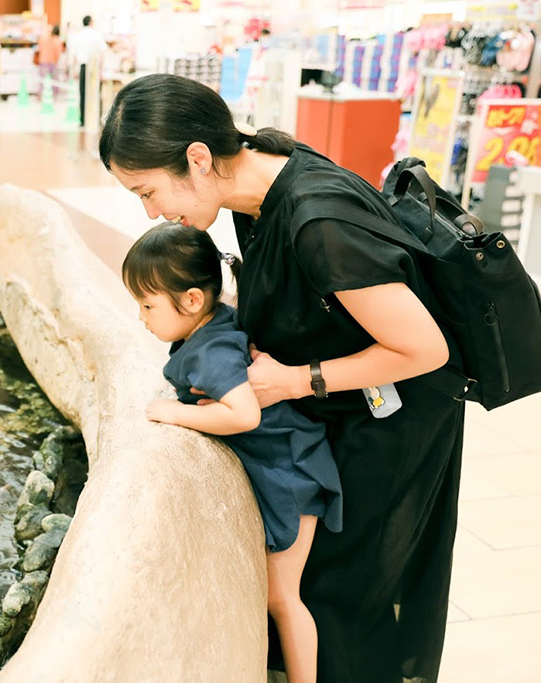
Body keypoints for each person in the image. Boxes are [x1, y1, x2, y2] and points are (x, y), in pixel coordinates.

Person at [101, 73, 462, 683]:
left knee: (344, 597)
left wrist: (296, 380)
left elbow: (426, 349)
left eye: (147, 191)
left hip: (391, 422)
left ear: (197, 158)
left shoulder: (318, 221)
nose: (151, 213)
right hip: (344, 413)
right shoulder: (257, 189)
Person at [124, 221, 343, 683]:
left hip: (293, 470)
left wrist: (174, 413)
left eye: (146, 304)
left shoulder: (213, 351)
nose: (141, 317)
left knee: (283, 598)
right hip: (289, 459)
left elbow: (244, 415)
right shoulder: (210, 326)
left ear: (191, 300)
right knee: (278, 596)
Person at [66, 15, 105, 127]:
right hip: (95, 67)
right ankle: (98, 119)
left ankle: (83, 119)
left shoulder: (77, 35)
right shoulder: (96, 34)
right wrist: (101, 70)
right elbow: (102, 52)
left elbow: (73, 54)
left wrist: (72, 70)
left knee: (83, 94)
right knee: (97, 93)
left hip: (83, 67)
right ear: (91, 22)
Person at [37, 25, 63, 100]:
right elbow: (58, 52)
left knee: (42, 80)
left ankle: (41, 96)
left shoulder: (44, 39)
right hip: (53, 62)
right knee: (54, 81)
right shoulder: (57, 40)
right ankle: (54, 96)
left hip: (43, 60)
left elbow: (39, 48)